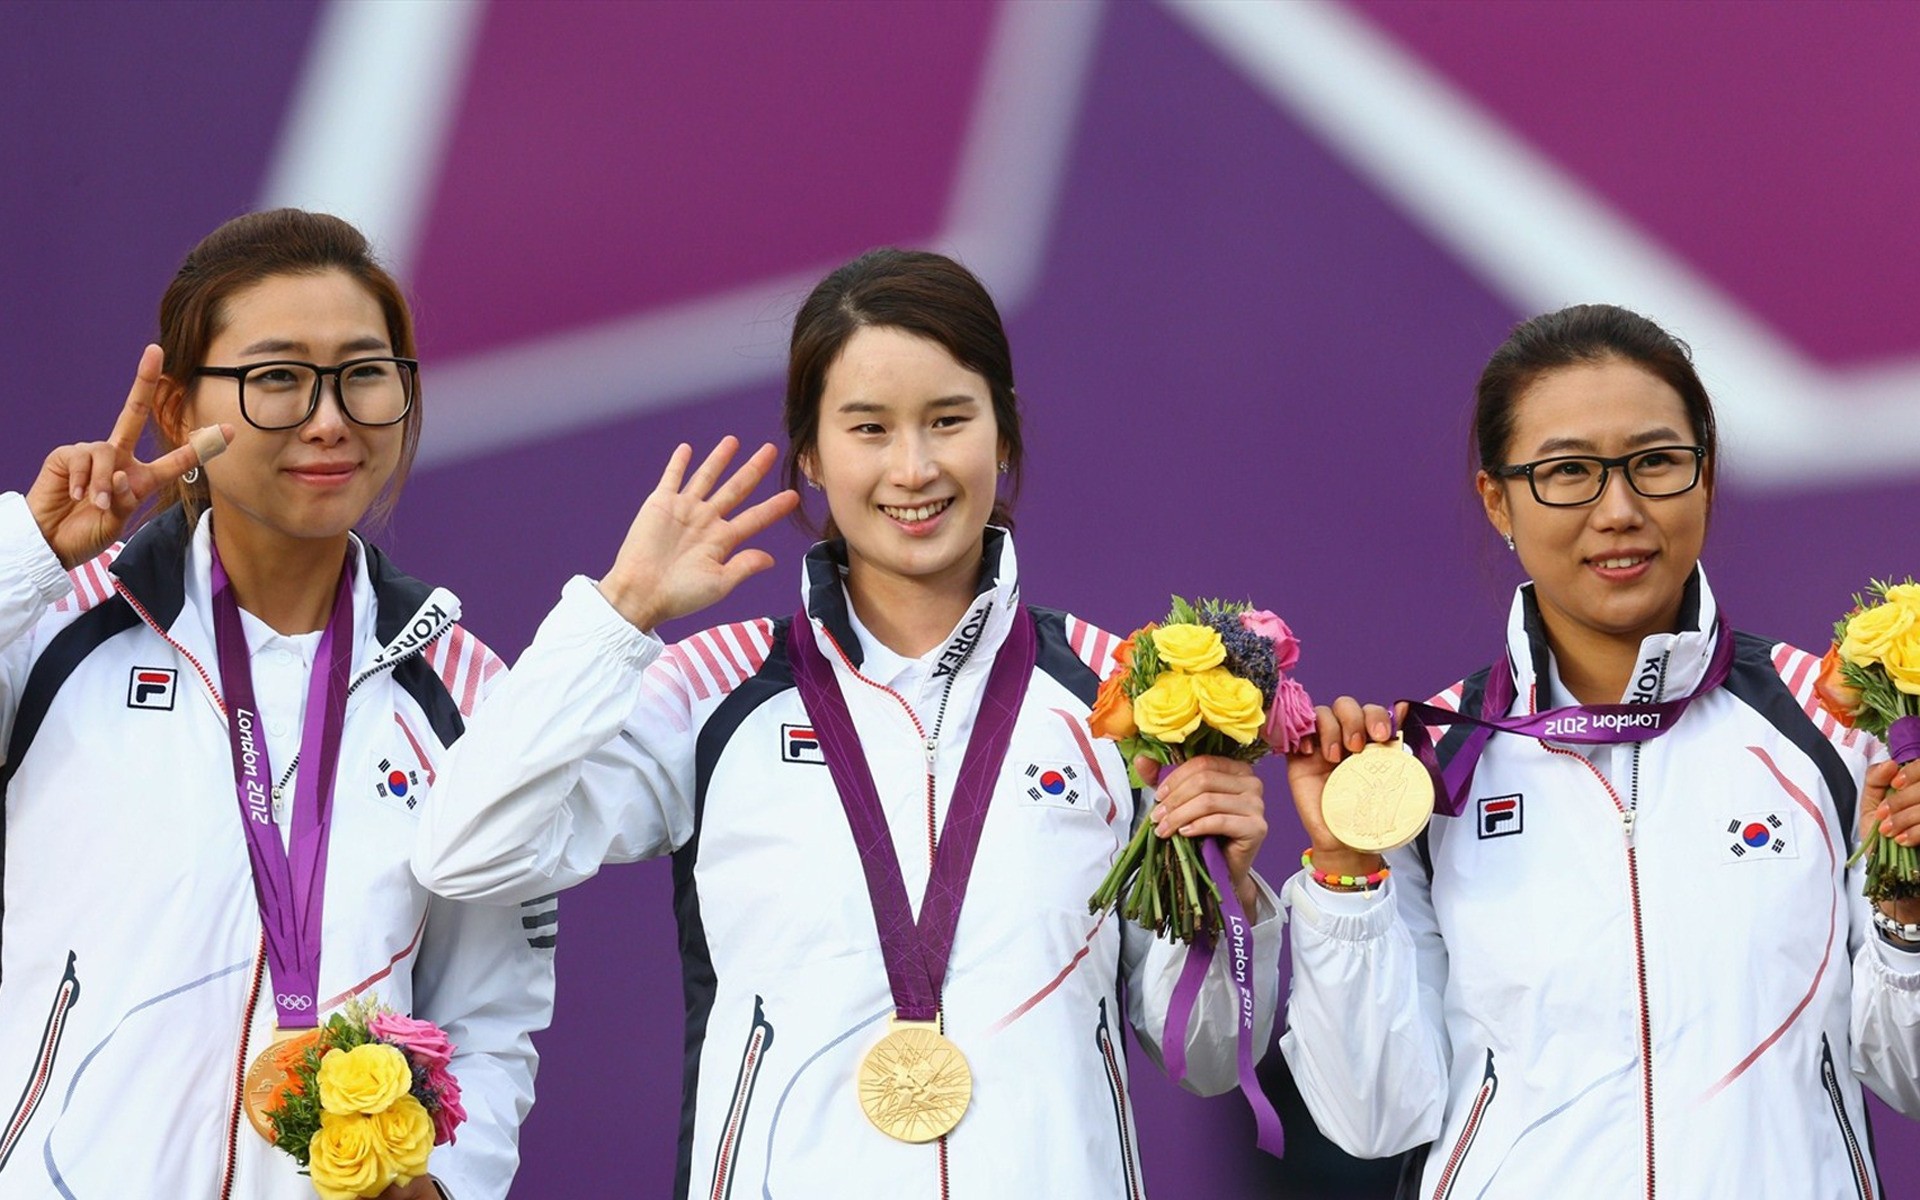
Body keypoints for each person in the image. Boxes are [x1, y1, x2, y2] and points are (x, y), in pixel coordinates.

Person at [414, 247, 1281, 1197]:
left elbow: (1206, 1058)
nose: (913, 468)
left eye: (948, 420)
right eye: (868, 428)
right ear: (812, 457)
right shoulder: (716, 688)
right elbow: (465, 851)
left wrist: (1226, 898)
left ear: (1003, 434)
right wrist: (619, 612)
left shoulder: (1120, 696)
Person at [1281, 304, 1920, 1197]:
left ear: (1705, 476)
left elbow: (1910, 1075)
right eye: (1568, 472)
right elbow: (1375, 1117)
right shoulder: (1429, 766)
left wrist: (1911, 909)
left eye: (1656, 462)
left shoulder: (1841, 729)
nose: (1618, 510)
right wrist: (1346, 872)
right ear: (1497, 500)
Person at [0, 210, 553, 1199]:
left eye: (364, 373)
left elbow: (489, 1011)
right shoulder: (51, 632)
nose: (329, 417)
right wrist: (29, 559)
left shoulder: (469, 692)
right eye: (277, 377)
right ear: (176, 406)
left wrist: (448, 1179)